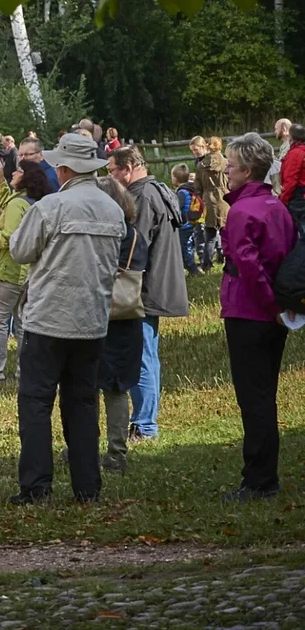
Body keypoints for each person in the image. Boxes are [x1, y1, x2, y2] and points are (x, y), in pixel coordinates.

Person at [6, 133, 125, 504]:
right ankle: (87, 488)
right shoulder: (114, 210)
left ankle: (36, 487)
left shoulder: (50, 207)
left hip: (48, 318)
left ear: (64, 168)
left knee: (36, 402)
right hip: (91, 319)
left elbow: (20, 250)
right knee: (83, 403)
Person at [218, 132, 296, 501]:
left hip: (249, 311)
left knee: (253, 397)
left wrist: (270, 305)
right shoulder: (277, 206)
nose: (226, 171)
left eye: (231, 165)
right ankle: (263, 474)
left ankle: (259, 479)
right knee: (265, 393)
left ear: (247, 169)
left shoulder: (242, 211)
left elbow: (249, 266)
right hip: (272, 313)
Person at [106, 145, 190, 443]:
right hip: (158, 283)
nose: (110, 176)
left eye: (112, 171)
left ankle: (144, 425)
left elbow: (133, 248)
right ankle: (145, 421)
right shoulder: (159, 188)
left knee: (140, 356)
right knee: (147, 355)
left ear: (127, 168)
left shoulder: (141, 196)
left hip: (144, 287)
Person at [0, 157, 49, 383]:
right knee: (22, 323)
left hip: (10, 270)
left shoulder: (17, 205)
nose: (12, 174)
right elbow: (8, 201)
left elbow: (8, 238)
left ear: (26, 177)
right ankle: (23, 370)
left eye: (17, 172)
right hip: (29, 271)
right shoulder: (32, 201)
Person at [95, 176, 147, 474]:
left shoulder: (101, 236)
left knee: (89, 383)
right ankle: (116, 452)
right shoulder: (134, 235)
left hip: (98, 315)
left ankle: (89, 444)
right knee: (117, 388)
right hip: (128, 319)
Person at [193, 135, 229, 271]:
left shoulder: (201, 165)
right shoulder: (226, 162)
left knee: (210, 235)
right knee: (227, 234)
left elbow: (197, 186)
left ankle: (206, 264)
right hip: (225, 199)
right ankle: (227, 260)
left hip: (208, 199)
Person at [171, 164, 202, 273]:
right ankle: (190, 266)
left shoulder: (181, 192)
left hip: (184, 225)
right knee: (189, 246)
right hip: (191, 222)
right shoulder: (190, 188)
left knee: (184, 247)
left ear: (175, 178)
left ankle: (192, 269)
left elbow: (177, 208)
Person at [279, 122, 305, 234]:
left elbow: (291, 179)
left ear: (292, 137)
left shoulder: (296, 153)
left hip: (299, 197)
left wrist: (283, 199)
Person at [267, 118, 292, 191]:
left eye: (276, 129)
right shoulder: (284, 145)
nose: (275, 132)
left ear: (284, 128)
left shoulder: (291, 145)